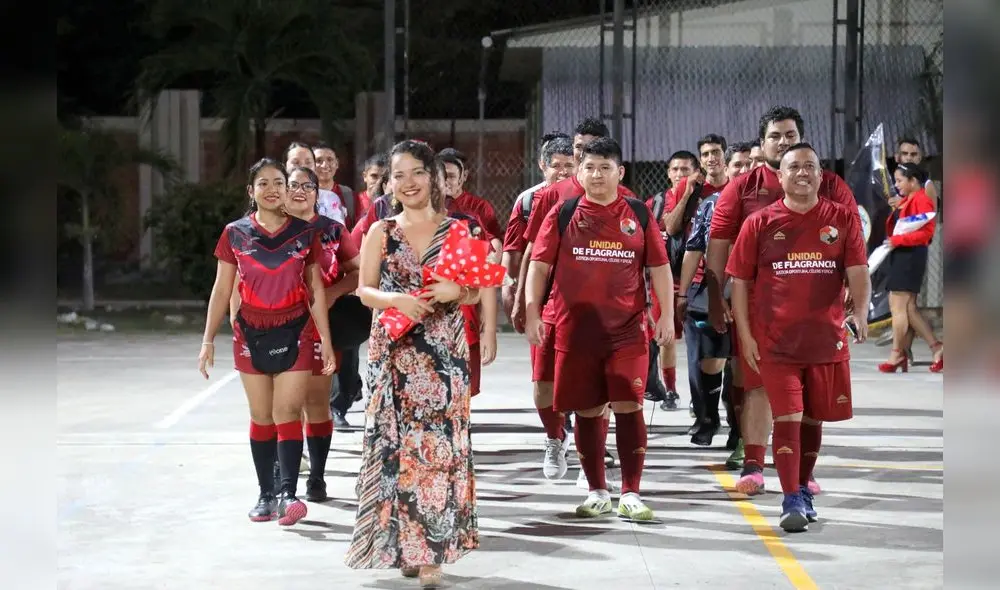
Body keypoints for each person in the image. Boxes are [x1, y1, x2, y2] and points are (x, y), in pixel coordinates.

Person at [345, 140, 479, 587]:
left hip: (443, 354)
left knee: (438, 450)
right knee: (396, 449)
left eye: (416, 172)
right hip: (394, 353)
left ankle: (431, 555)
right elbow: (364, 290)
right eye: (398, 175)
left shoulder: (458, 231)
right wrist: (396, 299)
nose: (408, 183)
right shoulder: (380, 231)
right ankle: (404, 545)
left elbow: (476, 290)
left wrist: (456, 292)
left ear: (433, 176)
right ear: (389, 183)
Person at [707, 105, 857, 497]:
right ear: (762, 143)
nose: (782, 142)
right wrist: (716, 297)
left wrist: (852, 294)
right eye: (775, 136)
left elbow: (854, 244)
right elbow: (718, 244)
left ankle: (803, 473)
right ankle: (754, 465)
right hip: (760, 309)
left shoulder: (831, 186)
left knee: (809, 396)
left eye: (790, 135)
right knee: (757, 386)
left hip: (817, 310)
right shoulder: (742, 188)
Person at [525, 137, 674, 521]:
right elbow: (539, 267)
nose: (596, 175)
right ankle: (597, 491)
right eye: (589, 167)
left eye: (605, 168)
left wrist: (667, 316)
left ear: (619, 172)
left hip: (627, 331)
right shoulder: (563, 212)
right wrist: (531, 311)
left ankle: (631, 492)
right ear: (579, 172)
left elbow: (659, 268)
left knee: (629, 406)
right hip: (576, 331)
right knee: (588, 411)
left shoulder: (638, 214)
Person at [726, 142, 870, 531]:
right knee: (787, 416)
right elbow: (740, 282)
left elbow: (858, 270)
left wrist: (859, 311)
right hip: (776, 342)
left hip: (825, 340)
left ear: (821, 175)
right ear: (780, 176)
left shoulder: (842, 218)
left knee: (812, 418)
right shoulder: (759, 222)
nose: (802, 172)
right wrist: (746, 335)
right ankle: (790, 498)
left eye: (810, 166)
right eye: (794, 167)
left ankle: (803, 487)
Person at [198, 158, 337, 525]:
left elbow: (315, 289)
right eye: (264, 183)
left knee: (287, 412)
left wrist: (324, 338)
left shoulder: (305, 233)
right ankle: (265, 494)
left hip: (297, 330)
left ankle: (289, 495)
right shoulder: (235, 233)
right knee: (261, 416)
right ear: (251, 191)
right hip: (250, 332)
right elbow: (221, 289)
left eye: (279, 182)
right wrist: (208, 339)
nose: (273, 189)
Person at [515, 117, 631, 487]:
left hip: (605, 315)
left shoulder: (628, 200)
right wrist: (522, 301)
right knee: (543, 386)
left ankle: (590, 461)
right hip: (553, 308)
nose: (582, 155)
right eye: (579, 148)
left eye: (592, 149)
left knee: (598, 390)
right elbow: (533, 251)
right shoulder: (553, 195)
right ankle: (555, 438)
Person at [281, 166, 361, 500]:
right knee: (283, 403)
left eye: (307, 186)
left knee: (315, 401)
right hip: (277, 327)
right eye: (293, 185)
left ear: (318, 193)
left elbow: (358, 273)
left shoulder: (331, 230)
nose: (300, 191)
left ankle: (316, 476)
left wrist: (332, 293)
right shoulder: (267, 228)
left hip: (320, 327)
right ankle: (283, 475)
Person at [676, 142, 752, 458]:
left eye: (751, 164)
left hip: (755, 296)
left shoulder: (770, 204)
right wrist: (683, 294)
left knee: (743, 367)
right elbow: (694, 249)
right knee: (711, 361)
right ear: (727, 168)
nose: (745, 170)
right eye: (739, 165)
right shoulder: (710, 205)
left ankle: (742, 433)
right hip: (715, 291)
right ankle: (708, 418)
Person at [878, 163, 943, 373]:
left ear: (913, 181)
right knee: (908, 309)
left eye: (899, 180)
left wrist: (898, 240)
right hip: (904, 255)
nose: (896, 185)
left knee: (898, 307)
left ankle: (897, 354)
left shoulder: (922, 199)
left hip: (909, 256)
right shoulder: (910, 198)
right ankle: (936, 348)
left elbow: (926, 233)